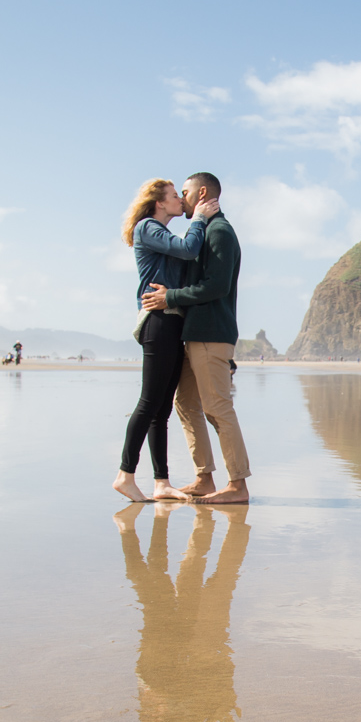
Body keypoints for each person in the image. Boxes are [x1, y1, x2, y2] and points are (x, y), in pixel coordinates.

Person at [142, 172, 250, 505]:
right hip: (193, 334)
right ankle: (204, 478)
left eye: (185, 192)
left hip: (211, 334)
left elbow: (216, 286)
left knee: (217, 408)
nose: (182, 198)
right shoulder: (203, 231)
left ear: (201, 193)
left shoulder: (220, 231)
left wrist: (170, 297)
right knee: (186, 404)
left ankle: (237, 485)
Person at [113, 178, 218, 503]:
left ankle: (161, 482)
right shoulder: (148, 227)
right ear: (159, 202)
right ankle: (125, 475)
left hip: (172, 321)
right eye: (175, 196)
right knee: (149, 403)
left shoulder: (163, 233)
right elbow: (188, 249)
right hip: (157, 322)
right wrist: (199, 218)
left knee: (162, 410)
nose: (180, 200)